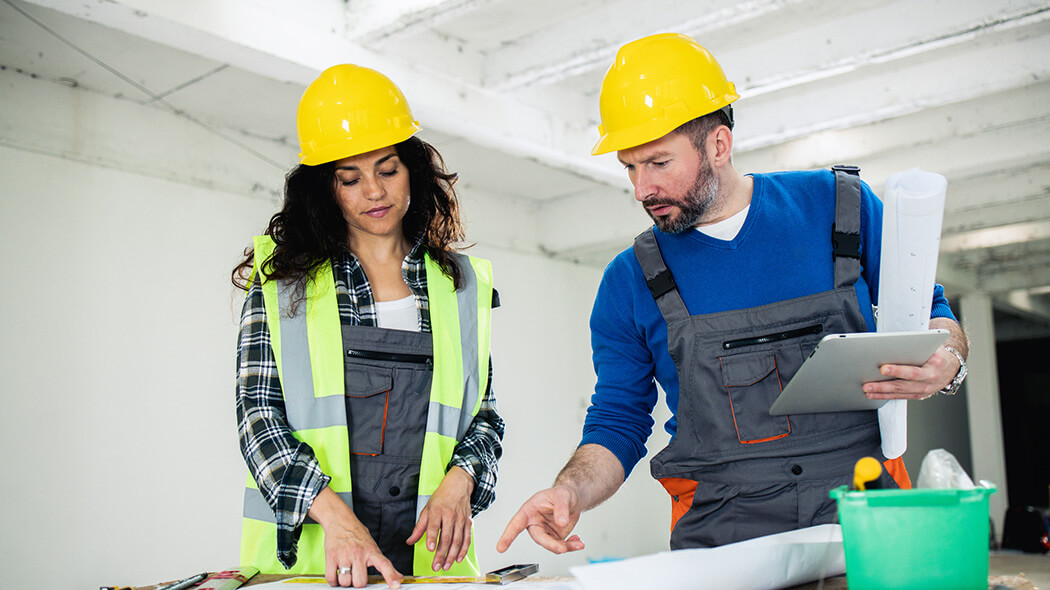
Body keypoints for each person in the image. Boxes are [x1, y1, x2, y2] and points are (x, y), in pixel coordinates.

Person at [497, 33, 969, 556]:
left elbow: (931, 313)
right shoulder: (629, 280)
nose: (640, 189)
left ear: (718, 145)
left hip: (862, 505)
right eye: (629, 167)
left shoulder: (841, 208)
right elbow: (618, 419)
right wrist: (567, 491)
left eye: (658, 163)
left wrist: (947, 355)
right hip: (722, 532)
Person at [233, 64, 504, 589]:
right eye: (350, 179)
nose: (374, 192)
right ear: (326, 189)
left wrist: (461, 480)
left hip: (430, 563)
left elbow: (484, 415)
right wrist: (338, 521)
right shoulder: (284, 282)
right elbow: (257, 417)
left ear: (413, 171)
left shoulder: (463, 286)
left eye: (388, 169)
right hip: (314, 565)